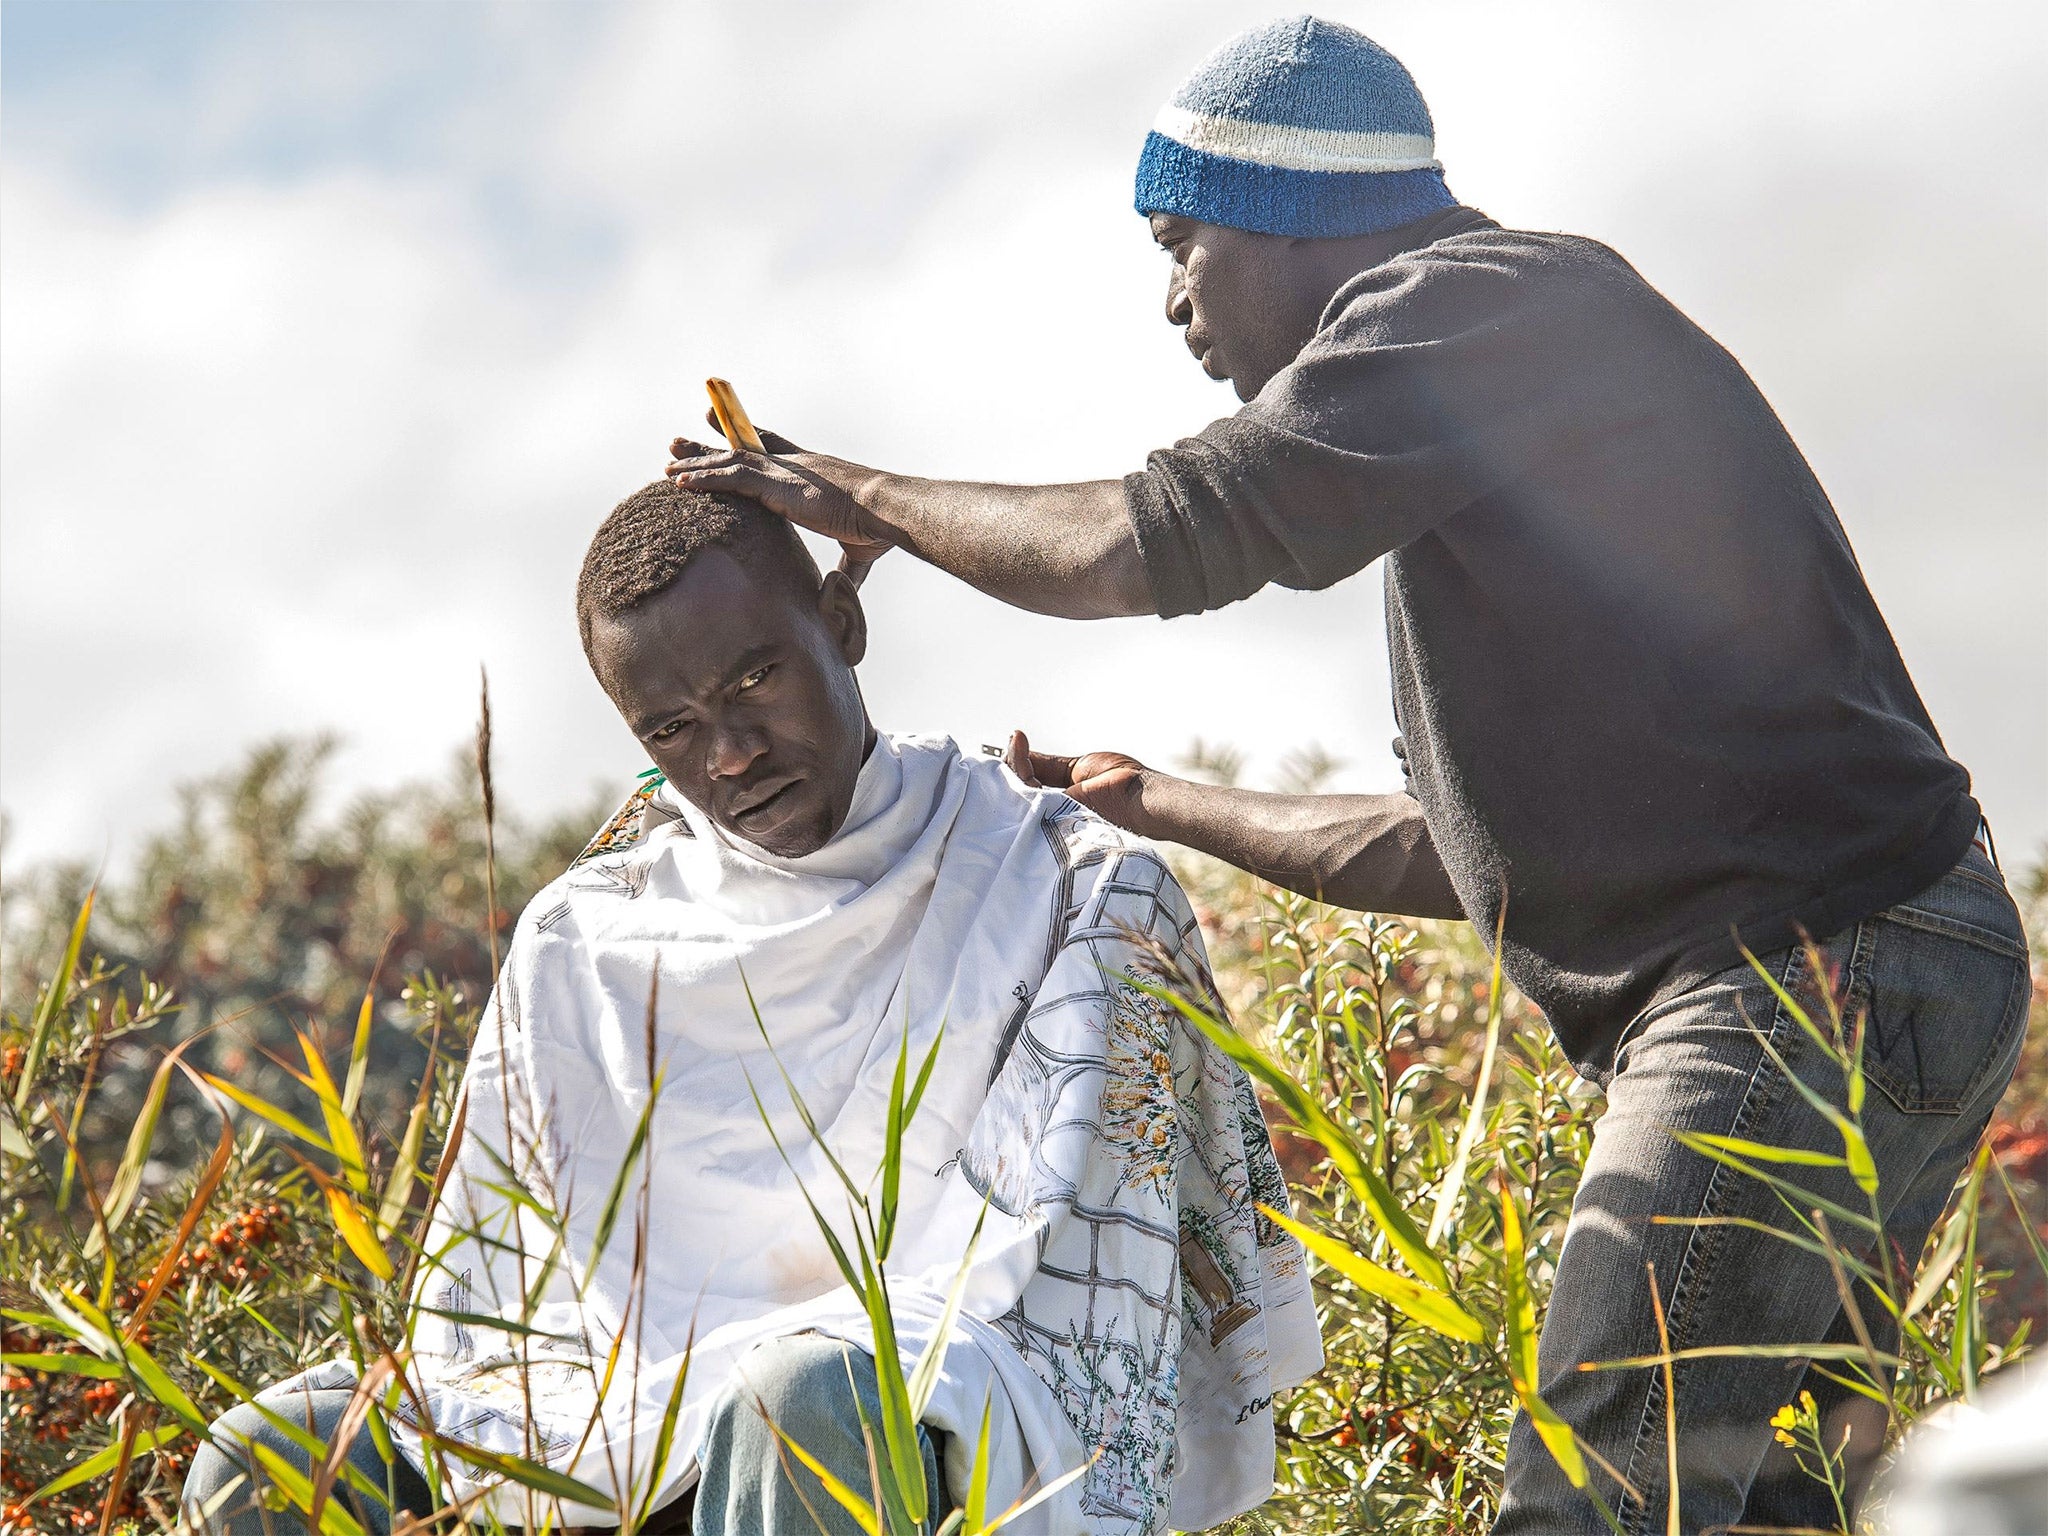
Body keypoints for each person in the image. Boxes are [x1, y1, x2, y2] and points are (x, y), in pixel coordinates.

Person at [661, 16, 2032, 1534]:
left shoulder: (1479, 309)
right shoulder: (1485, 418)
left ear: (1292, 210)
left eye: (1182, 240)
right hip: (1879, 960)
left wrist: (851, 489)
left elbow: (1150, 540)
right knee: (1748, 1496)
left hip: (1804, 974)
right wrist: (1159, 798)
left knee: (1588, 1492)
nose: (1173, 298)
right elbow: (1457, 854)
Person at [181, 480, 1321, 1536]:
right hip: (623, 1430)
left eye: (752, 681)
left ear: (843, 624)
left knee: (800, 1398)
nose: (726, 755)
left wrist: (812, 1362)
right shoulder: (587, 938)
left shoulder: (1060, 881)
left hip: (916, 1428)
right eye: (670, 729)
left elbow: (1067, 1278)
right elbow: (494, 1311)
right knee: (270, 1451)